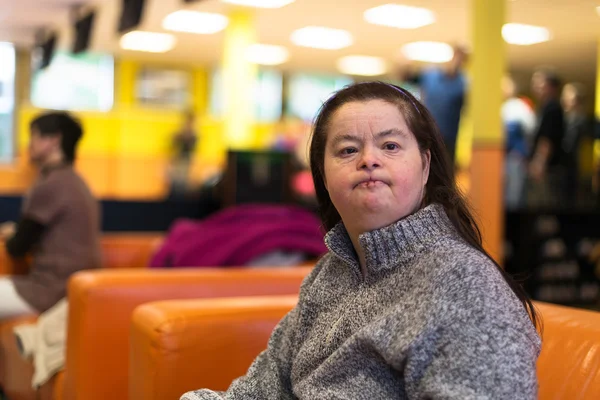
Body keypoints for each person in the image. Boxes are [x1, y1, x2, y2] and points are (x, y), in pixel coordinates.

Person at [181, 82, 541, 400]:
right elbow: (263, 389)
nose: (369, 159)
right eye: (348, 150)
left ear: (425, 165)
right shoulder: (330, 274)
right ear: (322, 174)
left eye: (390, 145)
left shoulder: (466, 284)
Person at [0, 112, 101, 319]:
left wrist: (12, 234)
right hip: (72, 290)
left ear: (54, 140)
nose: (29, 145)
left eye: (34, 136)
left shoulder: (51, 184)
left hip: (50, 292)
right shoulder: (76, 182)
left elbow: (17, 248)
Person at [402, 46, 468, 165]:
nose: (456, 61)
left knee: (444, 170)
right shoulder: (430, 75)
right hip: (427, 131)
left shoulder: (463, 83)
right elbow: (409, 78)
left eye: (461, 58)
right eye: (456, 56)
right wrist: (406, 66)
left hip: (448, 138)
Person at [528, 68, 565, 208]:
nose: (535, 87)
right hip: (547, 168)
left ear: (550, 86)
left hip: (548, 169)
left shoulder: (552, 108)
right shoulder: (545, 108)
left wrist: (539, 163)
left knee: (544, 206)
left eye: (539, 83)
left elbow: (547, 139)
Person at [502, 76, 536, 209]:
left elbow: (531, 130)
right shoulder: (502, 107)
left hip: (516, 156)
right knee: (505, 196)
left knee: (515, 196)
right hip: (504, 157)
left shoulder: (520, 106)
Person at [561, 82, 590, 206]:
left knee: (569, 195)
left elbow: (570, 143)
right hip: (566, 162)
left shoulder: (579, 119)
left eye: (569, 97)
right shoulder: (565, 117)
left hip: (570, 162)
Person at [169, 111, 199, 199]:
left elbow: (193, 142)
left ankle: (179, 195)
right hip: (179, 157)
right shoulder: (183, 130)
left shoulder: (193, 132)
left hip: (186, 157)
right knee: (176, 176)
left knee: (182, 178)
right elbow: (175, 140)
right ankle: (176, 194)